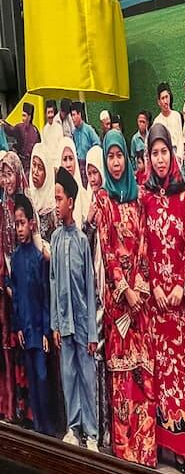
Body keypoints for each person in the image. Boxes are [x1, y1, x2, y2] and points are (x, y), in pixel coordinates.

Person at [95, 129, 156, 467]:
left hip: (141, 302)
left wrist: (141, 288)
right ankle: (125, 447)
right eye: (110, 157)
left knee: (143, 371)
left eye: (119, 156)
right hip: (120, 302)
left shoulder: (138, 196)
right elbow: (107, 250)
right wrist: (126, 290)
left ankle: (145, 448)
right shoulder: (104, 199)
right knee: (122, 376)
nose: (115, 163)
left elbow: (146, 244)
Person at [140, 122, 185, 474]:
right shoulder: (144, 198)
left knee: (182, 374)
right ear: (148, 157)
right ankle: (162, 441)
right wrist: (155, 287)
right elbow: (142, 246)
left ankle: (181, 446)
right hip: (157, 303)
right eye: (154, 153)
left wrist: (180, 285)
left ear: (172, 154)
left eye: (164, 152)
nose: (160, 159)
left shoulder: (184, 196)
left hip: (178, 302)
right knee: (161, 372)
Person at [50, 167, 98, 449]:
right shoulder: (55, 240)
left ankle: (91, 432)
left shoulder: (81, 242)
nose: (56, 205)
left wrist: (92, 332)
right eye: (54, 199)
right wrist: (56, 323)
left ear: (71, 201)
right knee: (68, 376)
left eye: (60, 199)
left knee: (87, 376)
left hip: (82, 322)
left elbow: (90, 290)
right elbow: (53, 283)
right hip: (64, 324)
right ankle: (74, 427)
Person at [11, 194, 51, 436]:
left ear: (31, 224)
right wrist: (17, 327)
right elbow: (15, 296)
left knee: (43, 377)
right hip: (25, 330)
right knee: (33, 382)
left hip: (39, 331)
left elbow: (45, 296)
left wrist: (46, 330)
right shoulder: (16, 258)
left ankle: (47, 430)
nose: (19, 228)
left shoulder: (39, 258)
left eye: (23, 223)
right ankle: (37, 429)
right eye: (16, 224)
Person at [85, 145, 110, 451]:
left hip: (109, 288)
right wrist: (89, 222)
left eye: (96, 172)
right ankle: (99, 427)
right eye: (89, 172)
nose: (93, 177)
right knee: (96, 355)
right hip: (94, 285)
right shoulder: (86, 202)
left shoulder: (111, 199)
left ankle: (108, 428)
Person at [0, 152, 29, 423]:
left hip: (26, 291)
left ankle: (27, 410)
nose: (6, 179)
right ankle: (10, 407)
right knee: (8, 348)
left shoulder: (24, 208)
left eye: (9, 173)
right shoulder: (1, 210)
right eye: (3, 174)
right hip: (6, 290)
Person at [28, 144, 57, 258]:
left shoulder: (54, 208)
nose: (35, 172)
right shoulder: (28, 199)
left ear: (47, 173)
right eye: (33, 165)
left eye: (40, 168)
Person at [58, 137, 91, 226]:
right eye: (65, 159)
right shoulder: (55, 194)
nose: (68, 164)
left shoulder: (82, 193)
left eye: (71, 159)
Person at [2, 102, 41, 174]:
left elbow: (38, 148)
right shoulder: (19, 127)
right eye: (22, 116)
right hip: (20, 162)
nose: (23, 118)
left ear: (29, 117)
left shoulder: (35, 131)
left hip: (30, 164)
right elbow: (10, 131)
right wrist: (3, 123)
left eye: (24, 116)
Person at [69, 102, 100, 184]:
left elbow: (97, 144)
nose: (72, 118)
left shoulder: (88, 130)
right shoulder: (74, 132)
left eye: (74, 115)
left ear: (79, 114)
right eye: (71, 116)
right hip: (78, 165)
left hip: (88, 164)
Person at [154, 82, 184, 166]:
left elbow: (180, 137)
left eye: (167, 97)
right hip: (164, 156)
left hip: (177, 154)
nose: (165, 101)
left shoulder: (176, 115)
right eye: (162, 98)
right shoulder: (157, 121)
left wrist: (179, 156)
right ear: (159, 102)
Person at [41, 101, 63, 165]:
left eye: (51, 112)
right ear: (46, 114)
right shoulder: (44, 130)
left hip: (58, 162)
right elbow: (44, 148)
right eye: (48, 112)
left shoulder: (59, 127)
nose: (50, 115)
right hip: (48, 163)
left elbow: (61, 146)